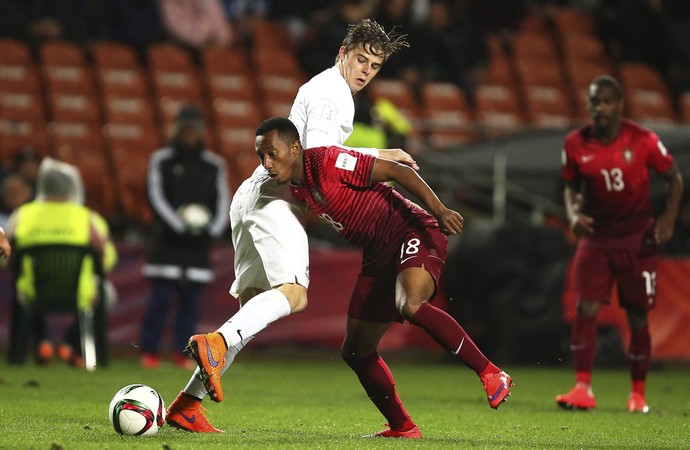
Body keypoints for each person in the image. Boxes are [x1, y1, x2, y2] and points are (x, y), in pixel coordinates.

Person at [165, 18, 414, 433]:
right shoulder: (333, 94)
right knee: (294, 295)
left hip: (253, 194)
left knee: (251, 309)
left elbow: (321, 153)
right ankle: (215, 346)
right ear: (342, 54)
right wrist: (381, 156)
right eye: (360, 59)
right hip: (277, 198)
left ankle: (187, 404)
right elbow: (318, 157)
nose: (365, 70)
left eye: (374, 65)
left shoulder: (322, 89)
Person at [255, 117, 512, 438]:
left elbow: (396, 171)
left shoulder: (326, 161)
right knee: (356, 351)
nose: (266, 163)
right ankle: (402, 427)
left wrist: (439, 209)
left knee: (411, 304)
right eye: (261, 157)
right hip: (378, 255)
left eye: (272, 153)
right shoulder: (299, 188)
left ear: (294, 148)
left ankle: (491, 373)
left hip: (412, 231)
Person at [556, 75, 684, 413]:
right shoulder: (575, 143)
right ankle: (583, 387)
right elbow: (569, 186)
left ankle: (637, 394)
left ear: (619, 105)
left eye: (606, 101)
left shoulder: (643, 140)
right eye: (594, 101)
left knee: (638, 315)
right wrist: (572, 214)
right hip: (596, 238)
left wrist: (669, 219)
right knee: (585, 307)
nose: (599, 108)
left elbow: (674, 179)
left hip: (636, 239)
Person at [139, 104, 230, 370]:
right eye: (185, 129)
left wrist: (210, 230)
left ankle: (182, 353)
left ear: (201, 132)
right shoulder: (161, 160)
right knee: (161, 299)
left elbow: (223, 200)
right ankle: (150, 351)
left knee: (191, 305)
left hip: (198, 246)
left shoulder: (214, 165)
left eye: (194, 130)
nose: (190, 135)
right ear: (177, 130)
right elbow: (156, 196)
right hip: (167, 243)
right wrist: (179, 225)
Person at [5, 158, 117, 366]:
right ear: (73, 187)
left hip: (32, 292)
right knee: (105, 292)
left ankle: (34, 345)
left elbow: (5, 256)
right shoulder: (89, 218)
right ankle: (75, 345)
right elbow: (107, 261)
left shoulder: (21, 216)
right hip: (80, 294)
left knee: (22, 293)